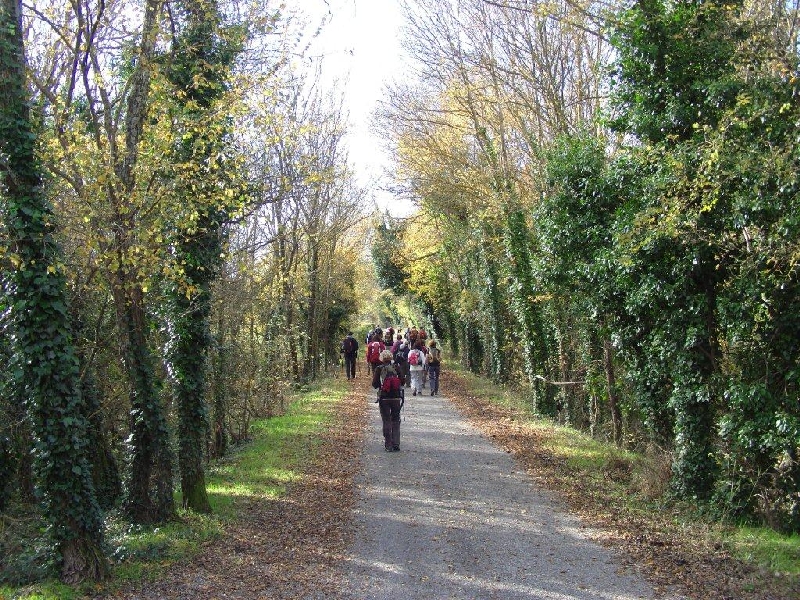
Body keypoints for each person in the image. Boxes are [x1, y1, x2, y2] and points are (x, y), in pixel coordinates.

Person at [372, 350, 404, 452]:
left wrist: (381, 385)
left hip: (384, 397)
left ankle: (388, 445)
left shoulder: (379, 368)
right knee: (396, 419)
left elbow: (374, 384)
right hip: (396, 397)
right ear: (391, 358)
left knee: (386, 420)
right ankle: (396, 443)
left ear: (381, 358)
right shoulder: (396, 367)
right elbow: (402, 381)